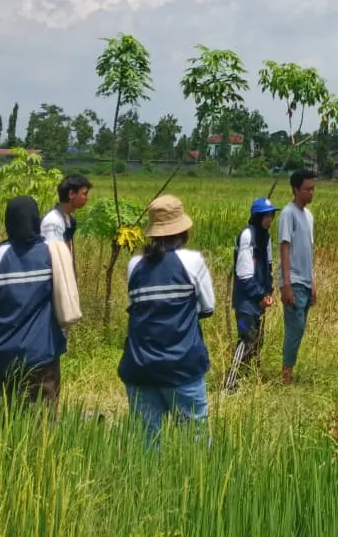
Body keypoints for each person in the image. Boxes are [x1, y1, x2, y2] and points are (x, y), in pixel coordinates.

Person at [118, 194, 215, 439]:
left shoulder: (135, 265)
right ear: (182, 230)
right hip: (182, 366)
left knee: (146, 442)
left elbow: (134, 307)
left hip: (140, 366)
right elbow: (208, 308)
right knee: (196, 443)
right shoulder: (192, 262)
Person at [0, 196, 66, 407]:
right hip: (40, 355)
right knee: (40, 429)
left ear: (8, 222)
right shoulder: (49, 253)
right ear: (35, 220)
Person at [225, 196, 277, 391]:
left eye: (271, 215)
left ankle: (247, 380)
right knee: (246, 337)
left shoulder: (266, 237)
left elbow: (268, 267)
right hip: (245, 301)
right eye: (266, 215)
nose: (269, 219)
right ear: (257, 216)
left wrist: (269, 292)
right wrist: (260, 295)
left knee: (257, 341)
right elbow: (245, 275)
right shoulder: (248, 236)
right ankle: (230, 383)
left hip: (260, 300)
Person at [278, 169, 315, 385]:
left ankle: (289, 369)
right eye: (307, 189)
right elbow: (285, 248)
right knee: (295, 328)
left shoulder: (308, 216)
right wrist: (286, 284)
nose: (311, 193)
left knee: (300, 329)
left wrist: (313, 282)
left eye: (313, 189)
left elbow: (309, 251)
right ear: (295, 189)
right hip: (293, 281)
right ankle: (286, 375)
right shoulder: (288, 214)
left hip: (306, 281)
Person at [40, 174, 92, 253]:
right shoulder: (53, 221)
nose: (87, 198)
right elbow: (54, 256)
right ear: (71, 194)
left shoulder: (70, 219)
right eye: (84, 194)